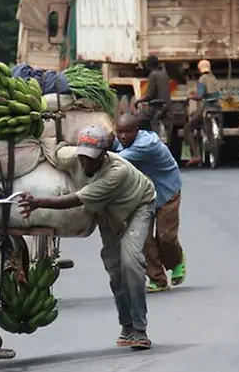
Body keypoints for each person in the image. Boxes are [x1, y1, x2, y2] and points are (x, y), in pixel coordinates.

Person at [18, 125, 157, 350]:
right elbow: (56, 151)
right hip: (108, 213)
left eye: (91, 159)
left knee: (131, 263)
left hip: (137, 206)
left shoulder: (116, 171)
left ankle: (140, 329)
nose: (85, 163)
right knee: (114, 269)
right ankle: (127, 325)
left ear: (104, 155)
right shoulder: (73, 158)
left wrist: (38, 202)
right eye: (82, 157)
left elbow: (77, 200)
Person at [112, 114, 186, 293]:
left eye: (127, 132)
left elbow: (115, 161)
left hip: (166, 191)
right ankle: (158, 279)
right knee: (143, 237)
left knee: (166, 235)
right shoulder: (122, 142)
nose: (122, 136)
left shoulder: (145, 145)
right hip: (143, 195)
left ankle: (177, 259)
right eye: (119, 132)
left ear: (136, 131)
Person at [182, 59, 221, 167]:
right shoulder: (214, 79)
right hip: (217, 107)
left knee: (187, 129)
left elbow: (200, 96)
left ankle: (196, 155)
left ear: (200, 69)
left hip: (206, 107)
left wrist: (190, 97)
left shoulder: (202, 79)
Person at [135, 55, 171, 134]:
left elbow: (149, 95)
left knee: (135, 122)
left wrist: (138, 100)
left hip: (156, 107)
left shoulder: (153, 75)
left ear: (148, 65)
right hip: (167, 107)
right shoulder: (164, 74)